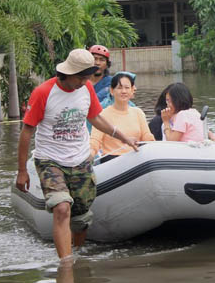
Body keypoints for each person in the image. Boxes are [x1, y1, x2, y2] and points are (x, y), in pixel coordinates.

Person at [15, 49, 138, 260]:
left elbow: (95, 118)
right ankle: (66, 265)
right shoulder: (44, 92)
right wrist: (21, 171)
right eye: (81, 76)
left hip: (80, 159)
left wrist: (123, 137)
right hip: (50, 160)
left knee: (81, 219)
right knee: (62, 208)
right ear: (67, 73)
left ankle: (78, 256)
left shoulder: (87, 88)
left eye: (88, 76)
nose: (85, 81)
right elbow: (27, 131)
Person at [90, 72, 154, 163]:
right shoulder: (103, 114)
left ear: (132, 90)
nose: (123, 91)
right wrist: (91, 153)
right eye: (119, 88)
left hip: (136, 157)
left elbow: (147, 136)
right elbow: (95, 141)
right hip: (112, 160)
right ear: (112, 91)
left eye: (127, 88)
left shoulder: (138, 112)